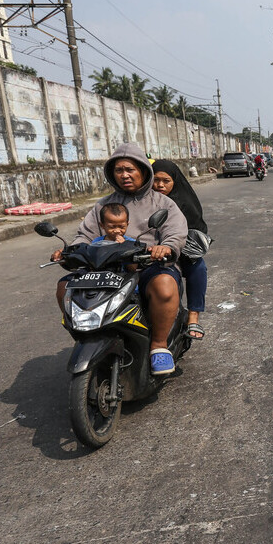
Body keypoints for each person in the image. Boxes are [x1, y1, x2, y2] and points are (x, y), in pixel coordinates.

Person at [51, 142, 188, 375]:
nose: (124, 175)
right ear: (112, 174)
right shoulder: (103, 205)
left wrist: (164, 247)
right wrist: (68, 252)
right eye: (118, 170)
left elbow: (175, 233)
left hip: (146, 266)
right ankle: (86, 335)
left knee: (165, 287)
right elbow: (85, 235)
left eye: (130, 169)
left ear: (143, 171)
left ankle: (158, 346)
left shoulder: (163, 203)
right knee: (66, 286)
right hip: (107, 267)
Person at [152, 160, 208, 340]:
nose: (160, 185)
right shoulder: (143, 200)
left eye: (165, 181)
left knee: (198, 268)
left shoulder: (184, 202)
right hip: (146, 251)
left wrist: (172, 245)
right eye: (156, 180)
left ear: (174, 181)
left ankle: (194, 315)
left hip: (180, 251)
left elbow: (193, 228)